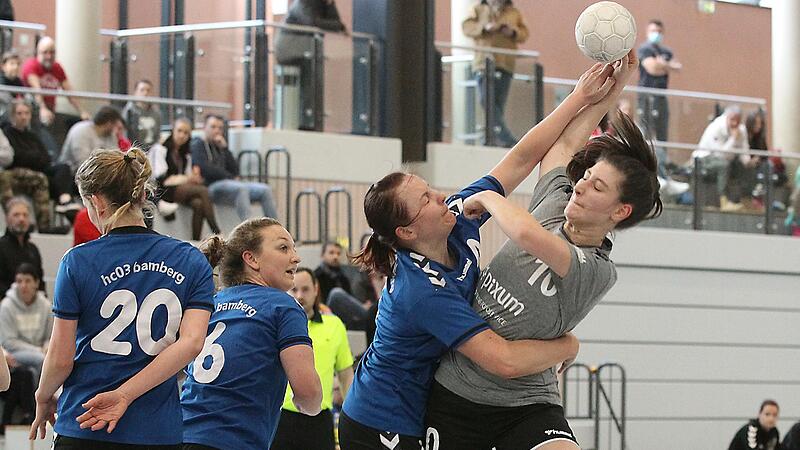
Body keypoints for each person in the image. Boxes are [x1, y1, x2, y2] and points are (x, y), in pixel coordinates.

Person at [338, 60, 618, 449]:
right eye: (427, 199)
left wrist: (579, 98)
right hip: (381, 420)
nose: (442, 197)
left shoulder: (452, 218)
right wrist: (567, 346)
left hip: (423, 407)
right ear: (408, 231)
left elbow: (521, 158)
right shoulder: (421, 290)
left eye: (431, 188)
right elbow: (502, 359)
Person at [427, 52, 662, 450]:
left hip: (527, 402)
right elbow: (568, 141)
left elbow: (529, 236)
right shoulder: (557, 200)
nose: (582, 186)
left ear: (619, 212)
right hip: (457, 394)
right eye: (587, 177)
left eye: (597, 188)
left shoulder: (597, 270)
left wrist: (488, 196)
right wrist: (612, 89)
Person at [28, 148, 214, 449]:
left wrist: (43, 395)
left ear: (97, 202)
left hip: (85, 423)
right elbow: (192, 343)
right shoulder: (190, 259)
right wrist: (126, 393)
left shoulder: (77, 261)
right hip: (157, 431)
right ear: (142, 196)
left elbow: (61, 359)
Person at [181, 218, 322, 449]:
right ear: (251, 259)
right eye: (283, 248)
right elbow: (308, 393)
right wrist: (310, 405)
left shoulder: (210, 304)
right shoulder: (283, 305)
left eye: (294, 249)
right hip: (233, 442)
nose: (295, 258)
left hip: (182, 435)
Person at [271, 267, 354, 450]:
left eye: (306, 289)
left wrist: (351, 416)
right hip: (281, 416)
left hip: (319, 419)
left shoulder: (334, 325)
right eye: (294, 289)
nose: (300, 295)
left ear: (316, 289)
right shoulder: (275, 324)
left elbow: (345, 374)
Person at [462, 0, 529, 147]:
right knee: (486, 101)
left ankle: (492, 138)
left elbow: (524, 33)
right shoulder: (478, 9)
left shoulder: (513, 12)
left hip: (505, 63)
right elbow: (466, 27)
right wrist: (484, 28)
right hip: (483, 63)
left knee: (498, 104)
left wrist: (512, 32)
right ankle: (506, 139)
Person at [274, 0, 347, 130]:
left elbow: (337, 24)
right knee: (309, 85)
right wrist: (335, 25)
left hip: (307, 51)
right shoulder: (303, 2)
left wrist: (330, 4)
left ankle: (311, 123)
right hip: (291, 50)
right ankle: (305, 123)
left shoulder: (322, 4)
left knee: (313, 83)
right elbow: (313, 22)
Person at [190, 114, 278, 221]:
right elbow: (205, 169)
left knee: (265, 190)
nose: (217, 131)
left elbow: (235, 170)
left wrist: (225, 149)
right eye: (213, 127)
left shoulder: (220, 146)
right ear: (205, 127)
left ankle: (275, 229)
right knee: (241, 188)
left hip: (228, 183)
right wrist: (229, 176)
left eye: (220, 128)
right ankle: (249, 230)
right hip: (210, 186)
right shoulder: (198, 144)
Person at [2, 100, 81, 216]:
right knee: (53, 181)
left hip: (39, 169)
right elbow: (16, 157)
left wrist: (33, 157)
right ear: (13, 115)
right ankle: (66, 205)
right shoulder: (7, 133)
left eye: (26, 113)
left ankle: (65, 201)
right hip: (20, 172)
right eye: (19, 113)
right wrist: (35, 157)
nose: (23, 117)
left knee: (64, 169)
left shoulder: (32, 135)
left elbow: (46, 157)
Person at [149, 117, 220, 240]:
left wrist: (191, 178)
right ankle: (217, 232)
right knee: (202, 190)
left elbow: (187, 176)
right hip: (162, 191)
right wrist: (187, 178)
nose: (182, 135)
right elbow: (161, 178)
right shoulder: (161, 148)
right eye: (179, 131)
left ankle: (196, 241)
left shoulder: (185, 154)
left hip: (177, 189)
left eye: (186, 133)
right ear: (173, 130)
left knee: (198, 204)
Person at [0, 263, 52, 385]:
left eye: (28, 281)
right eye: (19, 281)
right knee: (42, 360)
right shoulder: (7, 306)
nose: (23, 286)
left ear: (36, 283)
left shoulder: (46, 305)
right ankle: (40, 400)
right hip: (14, 352)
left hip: (40, 349)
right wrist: (38, 350)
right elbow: (9, 342)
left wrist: (47, 346)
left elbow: (51, 335)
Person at [21, 36, 90, 127]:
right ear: (38, 53)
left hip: (50, 111)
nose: (49, 56)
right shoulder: (31, 65)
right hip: (32, 111)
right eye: (45, 52)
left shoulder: (57, 67)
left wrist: (82, 111)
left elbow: (69, 91)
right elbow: (36, 89)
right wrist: (43, 108)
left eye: (52, 52)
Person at [692, 105, 750, 210]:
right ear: (727, 117)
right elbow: (720, 154)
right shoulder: (716, 127)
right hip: (705, 158)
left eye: (738, 120)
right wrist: (733, 139)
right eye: (732, 120)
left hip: (727, 159)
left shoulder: (741, 129)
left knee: (741, 167)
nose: (735, 124)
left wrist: (747, 162)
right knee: (723, 165)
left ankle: (739, 200)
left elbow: (744, 149)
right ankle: (723, 201)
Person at [637, 19, 681, 144]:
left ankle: (661, 160)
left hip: (661, 95)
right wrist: (666, 66)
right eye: (653, 31)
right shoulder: (644, 49)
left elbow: (678, 67)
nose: (656, 33)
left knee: (662, 131)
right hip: (646, 96)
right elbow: (652, 69)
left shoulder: (666, 51)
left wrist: (662, 64)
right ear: (647, 32)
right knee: (645, 131)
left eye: (659, 31)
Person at [59, 106, 123, 175]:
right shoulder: (81, 130)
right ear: (109, 123)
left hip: (101, 174)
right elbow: (83, 163)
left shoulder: (111, 135)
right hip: (74, 174)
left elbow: (116, 159)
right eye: (116, 124)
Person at [0, 197, 44, 295]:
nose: (21, 219)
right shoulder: (1, 247)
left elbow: (40, 282)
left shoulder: (33, 249)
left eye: (25, 215)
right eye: (16, 215)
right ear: (7, 218)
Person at [122, 79, 162, 148]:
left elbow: (157, 137)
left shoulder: (157, 113)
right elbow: (124, 134)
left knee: (159, 149)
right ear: (135, 93)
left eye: (148, 90)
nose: (145, 93)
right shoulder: (129, 111)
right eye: (142, 90)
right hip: (133, 148)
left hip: (151, 150)